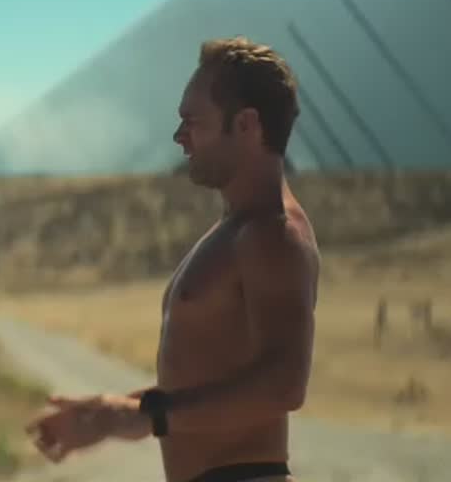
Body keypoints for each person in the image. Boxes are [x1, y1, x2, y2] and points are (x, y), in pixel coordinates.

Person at [26, 36, 320, 482]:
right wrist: (109, 413)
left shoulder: (271, 233)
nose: (180, 137)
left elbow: (284, 384)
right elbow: (202, 382)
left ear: (246, 125)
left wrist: (148, 417)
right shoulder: (234, 230)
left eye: (193, 122)